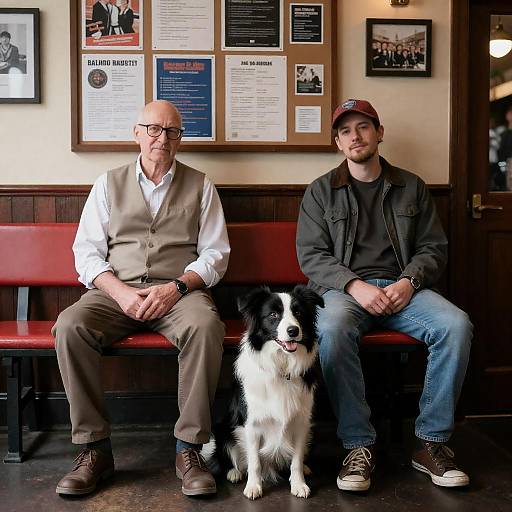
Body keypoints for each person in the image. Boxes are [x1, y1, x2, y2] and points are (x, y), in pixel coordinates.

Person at [52, 100, 230, 497]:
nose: (161, 138)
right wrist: (119, 291)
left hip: (178, 293)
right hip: (116, 291)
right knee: (70, 326)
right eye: (153, 129)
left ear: (180, 139)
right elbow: (86, 253)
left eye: (171, 131)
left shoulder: (201, 185)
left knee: (205, 325)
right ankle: (93, 449)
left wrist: (176, 288)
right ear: (136, 133)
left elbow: (216, 255)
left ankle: (191, 448)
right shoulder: (107, 183)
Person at [296, 99, 473, 492]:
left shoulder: (412, 186)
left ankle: (431, 443)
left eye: (362, 127)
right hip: (344, 292)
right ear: (337, 143)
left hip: (403, 290)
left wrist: (408, 281)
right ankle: (358, 446)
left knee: (456, 326)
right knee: (332, 327)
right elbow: (311, 256)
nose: (354, 136)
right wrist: (355, 286)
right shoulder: (321, 191)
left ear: (379, 133)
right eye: (345, 131)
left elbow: (433, 248)